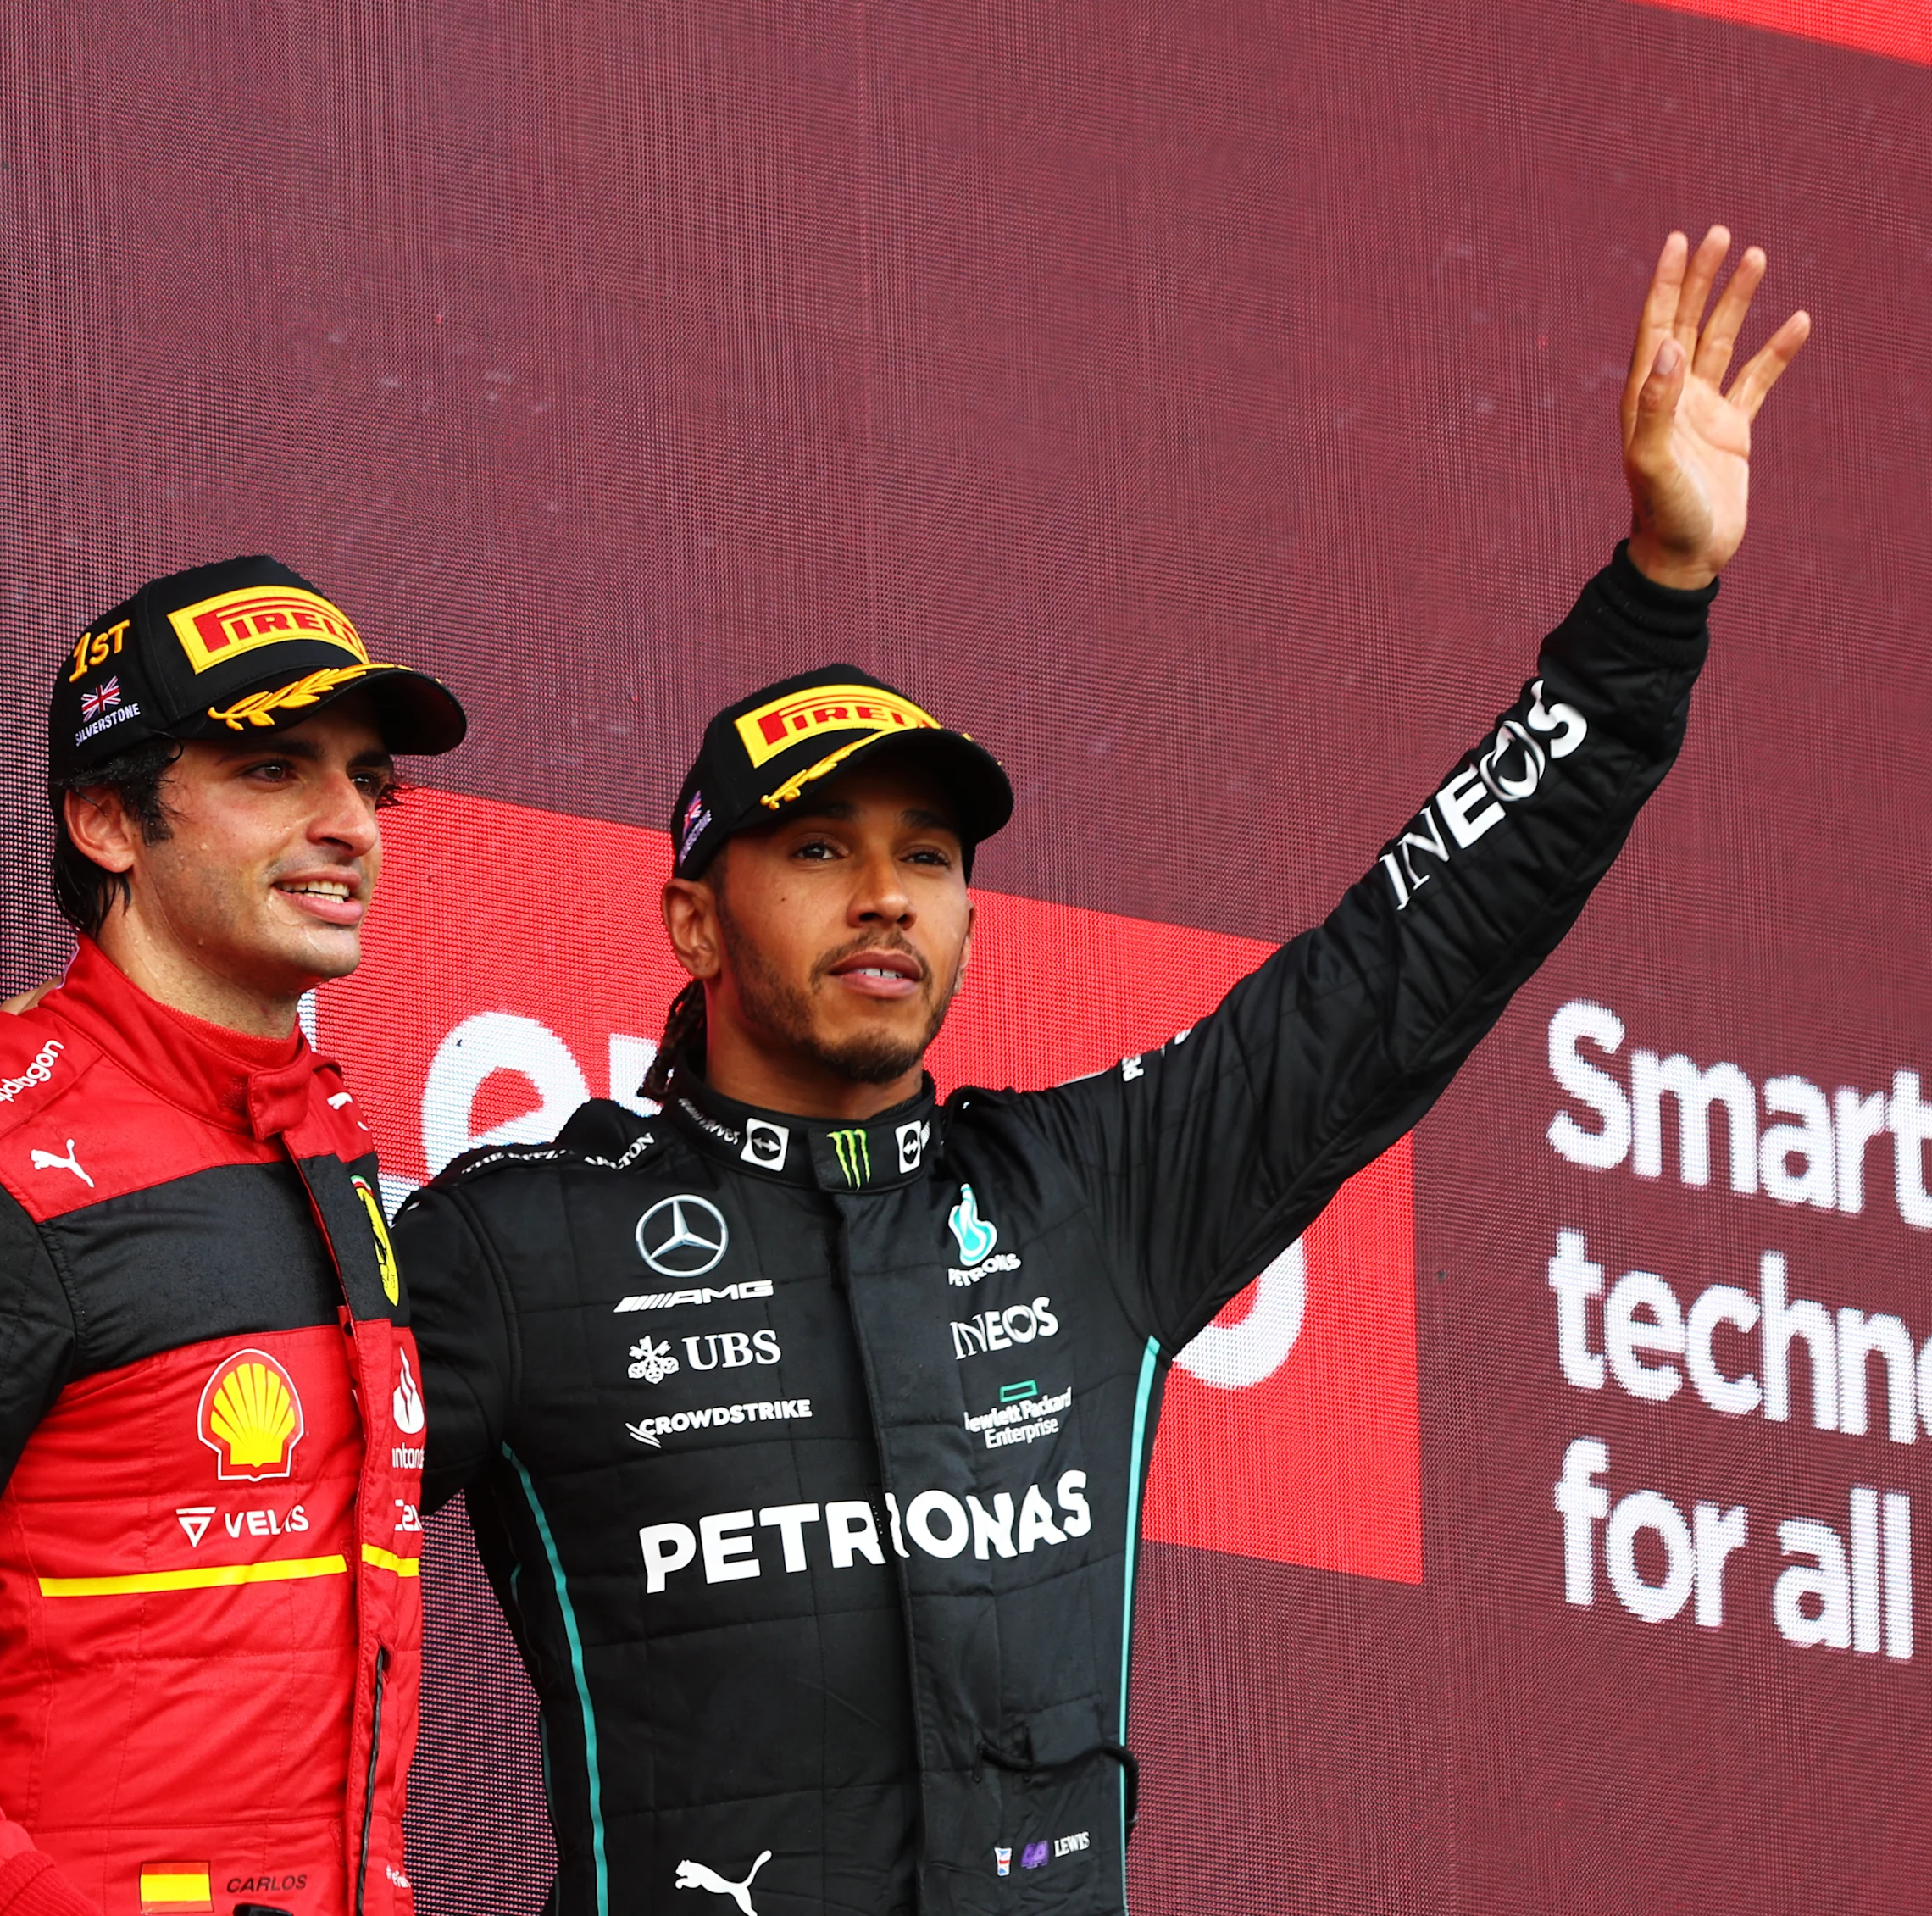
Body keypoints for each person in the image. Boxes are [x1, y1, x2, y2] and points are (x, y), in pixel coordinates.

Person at [393, 229, 1808, 1915]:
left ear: (972, 916)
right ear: (691, 917)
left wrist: (1652, 597)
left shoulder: (1090, 1197)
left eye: (927, 855)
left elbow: (1410, 952)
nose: (884, 894)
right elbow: (236, 1570)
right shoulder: (518, 1243)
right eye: (818, 847)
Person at [0, 558, 467, 1915]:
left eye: (369, 780)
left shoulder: (332, 1150)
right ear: (108, 819)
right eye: (275, 769)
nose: (351, 822)